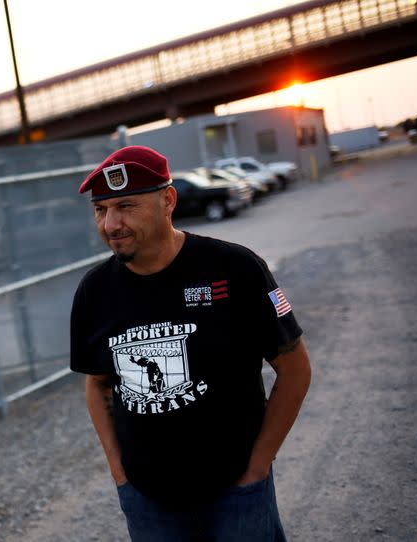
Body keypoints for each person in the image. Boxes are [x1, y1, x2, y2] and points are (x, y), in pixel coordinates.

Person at [70, 145, 311, 541]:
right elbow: (97, 384)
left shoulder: (236, 268)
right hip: (148, 500)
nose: (111, 223)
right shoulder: (94, 292)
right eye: (101, 209)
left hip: (237, 490)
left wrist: (258, 467)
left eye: (126, 206)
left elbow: (296, 368)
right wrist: (120, 472)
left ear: (168, 200)